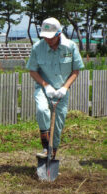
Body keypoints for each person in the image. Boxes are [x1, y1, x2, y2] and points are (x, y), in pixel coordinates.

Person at [26, 17, 84, 159]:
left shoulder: (70, 47)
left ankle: (52, 154)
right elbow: (32, 70)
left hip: (61, 91)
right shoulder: (38, 48)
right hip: (43, 87)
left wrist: (64, 88)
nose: (48, 40)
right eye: (45, 37)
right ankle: (46, 147)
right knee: (42, 110)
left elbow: (76, 70)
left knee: (58, 125)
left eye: (51, 37)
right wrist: (46, 86)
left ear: (59, 33)